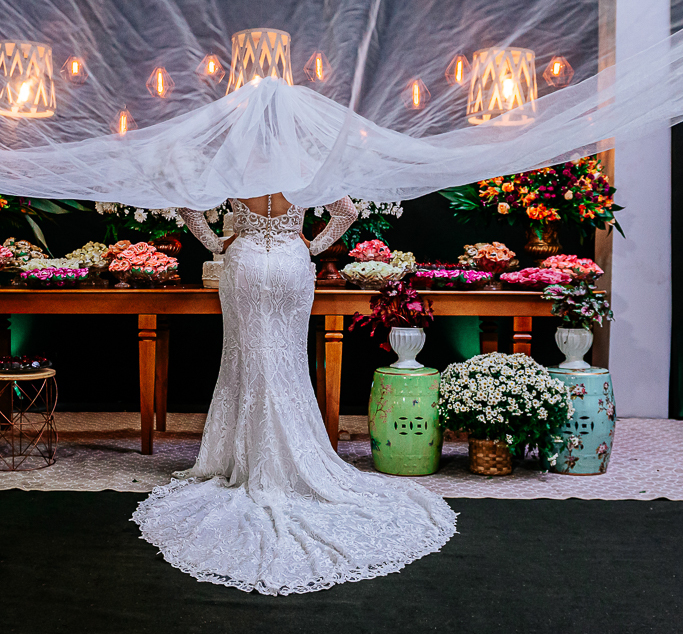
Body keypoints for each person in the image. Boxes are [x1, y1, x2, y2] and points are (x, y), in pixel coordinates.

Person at [132, 192, 456, 595]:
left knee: (246, 359)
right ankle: (293, 455)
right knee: (286, 360)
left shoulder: (238, 162)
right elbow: (347, 212)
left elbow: (188, 205)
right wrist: (313, 244)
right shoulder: (304, 166)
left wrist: (218, 243)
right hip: (290, 262)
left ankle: (244, 459)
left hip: (245, 262)